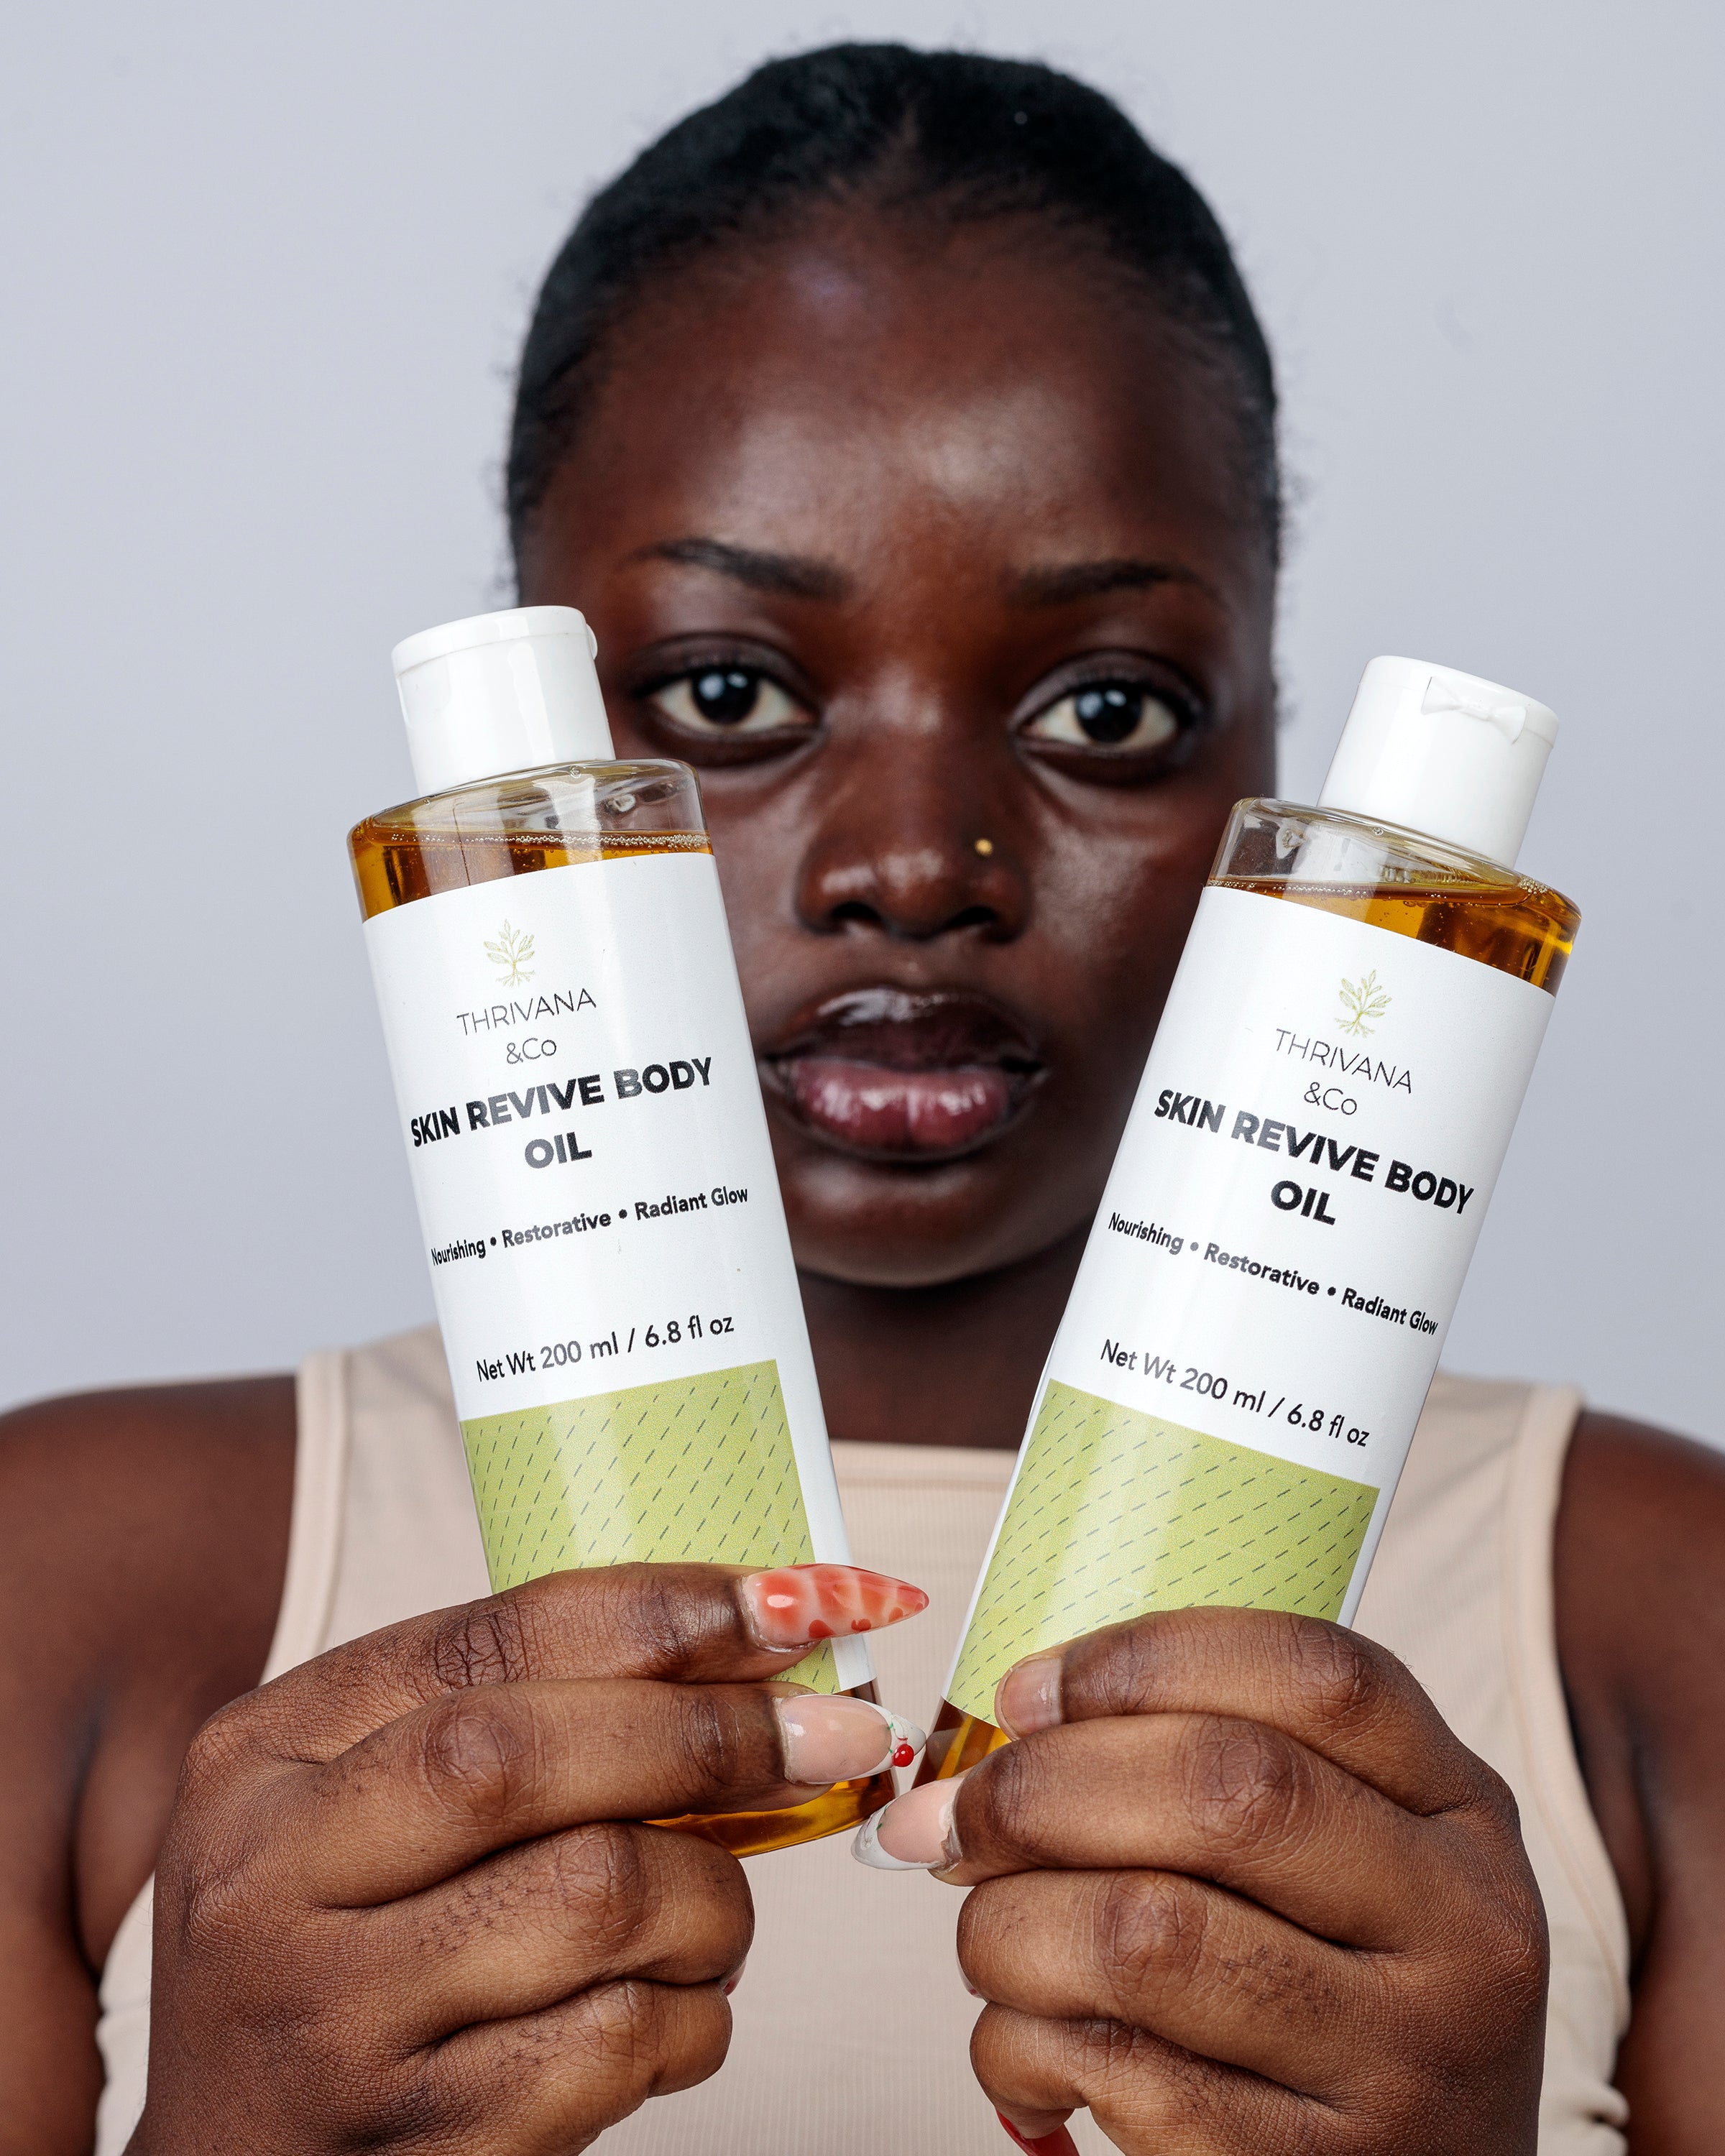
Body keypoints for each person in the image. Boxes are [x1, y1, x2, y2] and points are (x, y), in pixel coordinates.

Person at [2, 42, 1721, 2156]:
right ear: (535, 726)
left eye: (1110, 707)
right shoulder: (72, 1583)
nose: (915, 861)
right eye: (728, 696)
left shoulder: (1663, 1614)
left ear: (1283, 761)